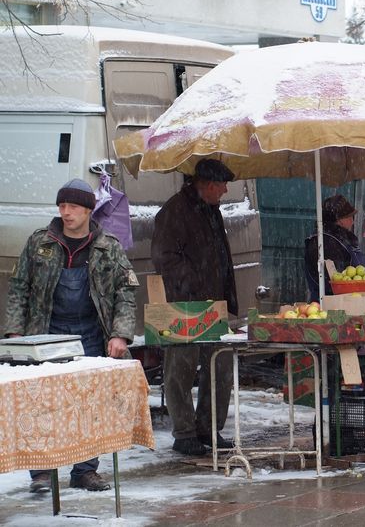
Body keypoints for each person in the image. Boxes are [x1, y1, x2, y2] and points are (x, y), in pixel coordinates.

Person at [4, 179, 138, 493]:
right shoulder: (40, 243)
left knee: (87, 404)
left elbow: (126, 292)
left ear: (89, 211)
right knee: (40, 403)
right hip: (44, 335)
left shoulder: (108, 247)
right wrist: (15, 332)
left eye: (73, 207)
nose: (66, 213)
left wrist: (120, 334)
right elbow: (18, 288)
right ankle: (41, 473)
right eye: (62, 206)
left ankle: (84, 471)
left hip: (90, 335)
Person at [152, 159, 239, 456]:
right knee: (181, 368)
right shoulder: (175, 211)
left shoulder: (211, 210)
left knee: (221, 365)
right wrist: (192, 287)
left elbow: (220, 257)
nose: (226, 191)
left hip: (213, 304)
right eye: (223, 185)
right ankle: (185, 432)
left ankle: (208, 427)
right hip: (184, 305)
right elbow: (165, 257)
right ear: (209, 185)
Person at [304, 194, 365, 301]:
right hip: (333, 303)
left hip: (352, 299)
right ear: (339, 220)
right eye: (349, 217)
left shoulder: (341, 238)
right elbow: (335, 280)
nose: (352, 221)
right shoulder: (325, 242)